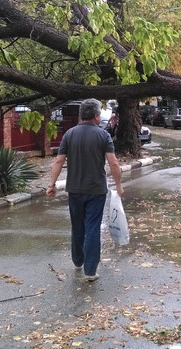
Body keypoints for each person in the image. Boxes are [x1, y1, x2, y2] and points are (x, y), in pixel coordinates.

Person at [46, 99, 124, 282]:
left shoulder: (69, 134)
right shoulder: (103, 136)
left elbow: (58, 161)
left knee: (78, 225)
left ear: (81, 115)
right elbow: (113, 162)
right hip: (96, 190)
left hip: (74, 189)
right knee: (92, 228)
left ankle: (78, 260)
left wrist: (51, 185)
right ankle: (90, 271)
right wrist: (119, 185)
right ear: (97, 116)